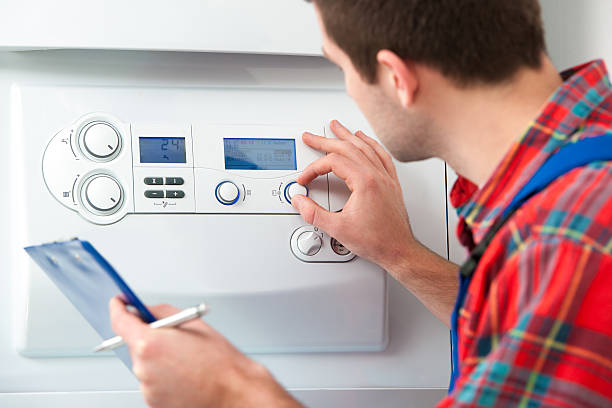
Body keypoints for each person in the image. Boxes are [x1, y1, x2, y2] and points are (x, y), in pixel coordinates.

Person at [110, 0, 612, 406]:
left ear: (397, 77)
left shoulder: (566, 240)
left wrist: (230, 392)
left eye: (341, 66)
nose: (349, 89)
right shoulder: (580, 172)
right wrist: (399, 253)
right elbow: (526, 336)